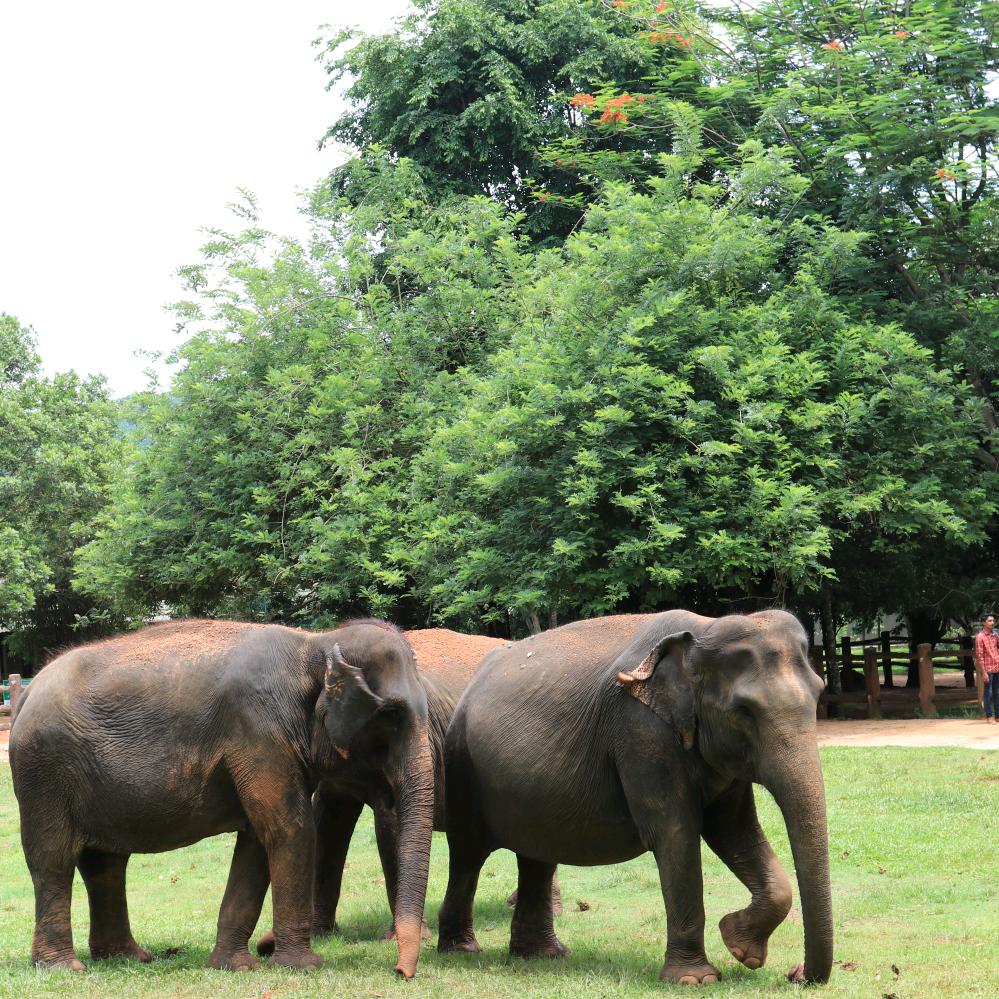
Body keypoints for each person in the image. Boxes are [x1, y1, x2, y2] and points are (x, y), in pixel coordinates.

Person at [973, 612, 999, 723]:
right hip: (987, 668)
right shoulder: (980, 637)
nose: (992, 622)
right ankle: (989, 716)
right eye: (989, 620)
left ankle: (998, 716)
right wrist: (983, 672)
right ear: (983, 622)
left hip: (997, 666)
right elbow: (979, 656)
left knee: (997, 692)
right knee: (988, 693)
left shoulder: (996, 635)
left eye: (993, 620)